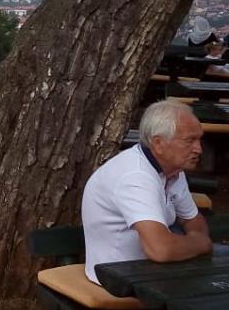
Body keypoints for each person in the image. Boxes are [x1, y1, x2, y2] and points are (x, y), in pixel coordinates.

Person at [81, 101, 213, 284]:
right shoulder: (135, 177)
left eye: (199, 139)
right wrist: (200, 243)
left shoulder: (172, 170)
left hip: (152, 274)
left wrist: (192, 239)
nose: (199, 149)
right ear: (158, 143)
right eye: (189, 140)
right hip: (118, 280)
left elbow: (193, 220)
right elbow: (161, 250)